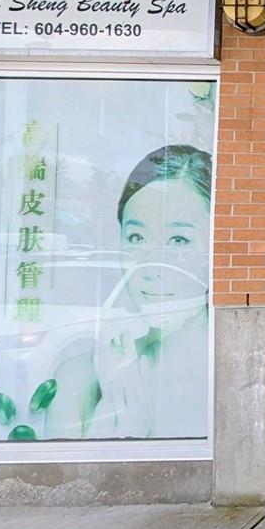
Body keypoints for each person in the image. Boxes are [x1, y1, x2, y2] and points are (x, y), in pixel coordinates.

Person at [78, 145, 213, 439]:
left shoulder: (234, 375)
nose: (152, 268)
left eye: (179, 240)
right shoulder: (83, 376)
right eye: (136, 238)